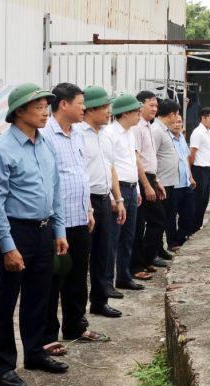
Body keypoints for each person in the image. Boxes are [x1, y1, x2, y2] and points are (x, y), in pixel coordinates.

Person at [0, 83, 70, 386]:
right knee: (7, 301)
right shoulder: (0, 149)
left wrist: (58, 231)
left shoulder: (45, 144)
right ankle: (2, 366)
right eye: (39, 106)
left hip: (44, 229)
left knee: (39, 296)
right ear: (19, 111)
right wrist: (8, 246)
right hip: (16, 231)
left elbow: (55, 189)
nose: (46, 111)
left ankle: (35, 353)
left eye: (47, 105)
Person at [79, 86, 126, 318]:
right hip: (85, 203)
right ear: (90, 109)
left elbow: (111, 168)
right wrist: (87, 205)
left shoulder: (104, 136)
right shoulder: (78, 135)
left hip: (104, 199)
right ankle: (76, 310)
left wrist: (118, 199)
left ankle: (99, 301)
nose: (109, 112)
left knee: (103, 253)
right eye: (105, 108)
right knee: (82, 256)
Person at [104, 94, 150, 288]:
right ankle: (107, 283)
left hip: (131, 188)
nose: (139, 115)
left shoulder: (130, 133)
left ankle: (123, 277)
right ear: (124, 113)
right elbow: (109, 165)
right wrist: (115, 196)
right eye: (136, 112)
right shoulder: (110, 133)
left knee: (129, 236)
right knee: (113, 239)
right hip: (118, 189)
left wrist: (138, 188)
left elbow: (132, 162)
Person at [130, 91, 167, 277]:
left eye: (156, 106)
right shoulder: (136, 127)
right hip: (141, 179)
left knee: (158, 219)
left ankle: (145, 258)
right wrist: (146, 185)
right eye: (151, 105)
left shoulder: (149, 127)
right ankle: (135, 265)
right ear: (140, 105)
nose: (154, 109)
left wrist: (156, 181)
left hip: (151, 177)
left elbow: (150, 157)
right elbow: (136, 159)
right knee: (138, 225)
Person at [152, 99, 183, 253]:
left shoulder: (163, 129)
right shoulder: (156, 130)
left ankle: (160, 249)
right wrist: (156, 180)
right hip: (161, 183)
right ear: (171, 115)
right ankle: (155, 251)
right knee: (159, 220)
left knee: (167, 217)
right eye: (176, 115)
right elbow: (151, 157)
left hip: (169, 182)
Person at [166, 114, 196, 250]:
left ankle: (181, 238)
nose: (177, 125)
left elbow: (185, 159)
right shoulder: (167, 139)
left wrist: (190, 177)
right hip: (174, 184)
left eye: (179, 122)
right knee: (171, 215)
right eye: (174, 122)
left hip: (186, 183)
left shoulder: (182, 138)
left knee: (188, 212)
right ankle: (172, 243)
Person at [189, 107, 210, 233]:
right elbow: (192, 154)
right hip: (198, 170)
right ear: (203, 118)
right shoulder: (198, 132)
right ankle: (191, 229)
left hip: (206, 170)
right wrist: (190, 174)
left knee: (204, 201)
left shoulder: (208, 132)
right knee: (197, 201)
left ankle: (197, 227)